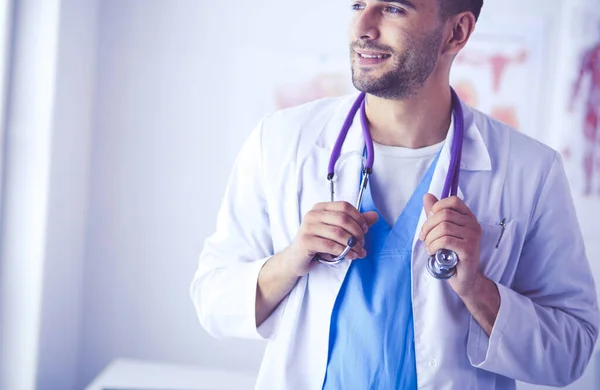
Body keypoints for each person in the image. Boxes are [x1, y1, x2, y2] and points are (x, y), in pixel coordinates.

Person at [190, 1, 600, 389]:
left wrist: (476, 287)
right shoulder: (280, 142)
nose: (363, 28)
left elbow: (571, 352)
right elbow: (212, 300)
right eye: (357, 5)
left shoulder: (530, 169)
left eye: (393, 8)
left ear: (456, 32)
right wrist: (290, 260)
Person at [570, 23, 600, 196]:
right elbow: (579, 76)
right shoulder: (591, 53)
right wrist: (572, 99)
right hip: (592, 105)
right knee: (588, 145)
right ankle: (588, 182)